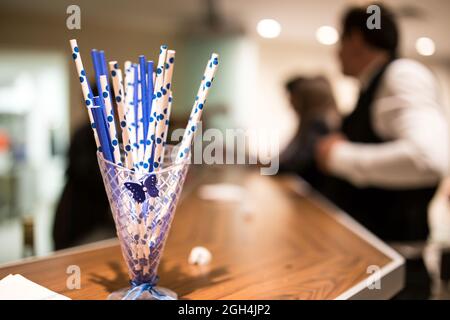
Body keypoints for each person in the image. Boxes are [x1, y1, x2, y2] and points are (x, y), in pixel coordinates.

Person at [316, 4, 449, 299]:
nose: (336, 52)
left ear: (356, 39)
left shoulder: (402, 74)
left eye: (341, 40)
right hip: (369, 266)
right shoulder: (374, 86)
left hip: (392, 276)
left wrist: (337, 156)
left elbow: (428, 159)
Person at [279, 76, 340, 191]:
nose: (291, 106)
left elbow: (297, 164)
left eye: (294, 100)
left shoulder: (318, 125)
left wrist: (270, 166)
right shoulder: (322, 123)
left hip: (315, 194)